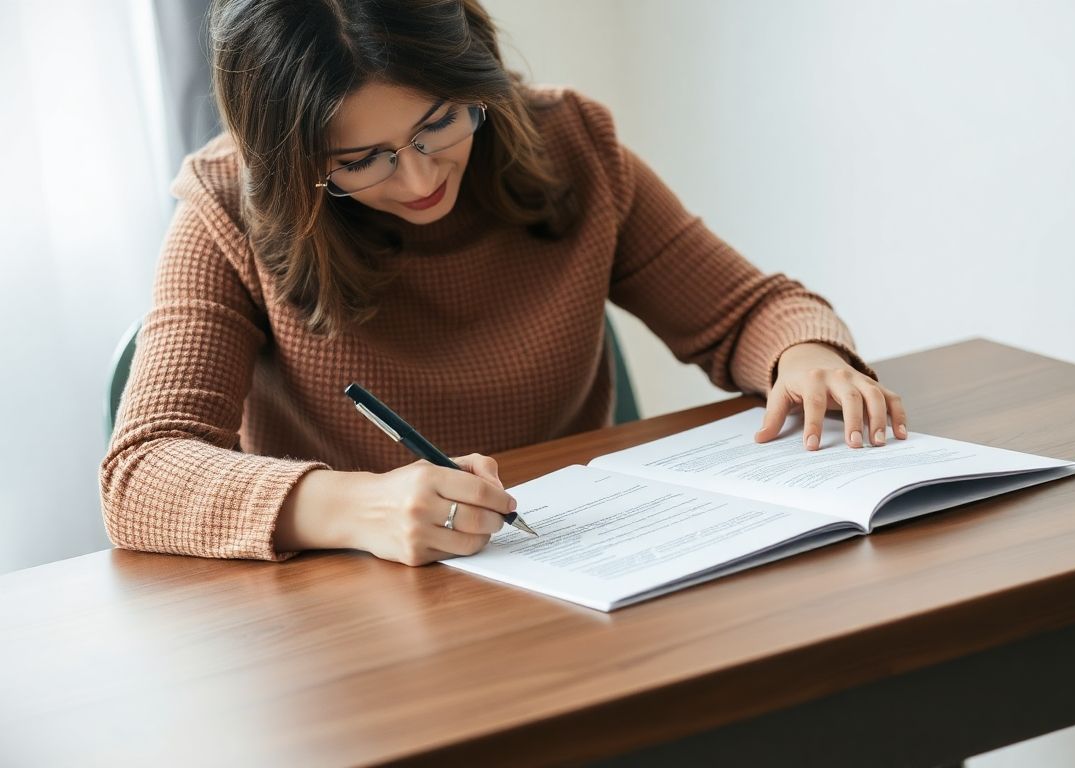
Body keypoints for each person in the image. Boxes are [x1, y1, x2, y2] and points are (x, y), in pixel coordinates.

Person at [100, 0, 907, 568]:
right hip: (353, 615)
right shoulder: (226, 208)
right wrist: (362, 508)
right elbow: (141, 473)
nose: (418, 177)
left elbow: (750, 311)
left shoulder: (571, 144)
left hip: (583, 565)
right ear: (289, 158)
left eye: (438, 123)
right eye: (357, 160)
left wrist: (803, 354)